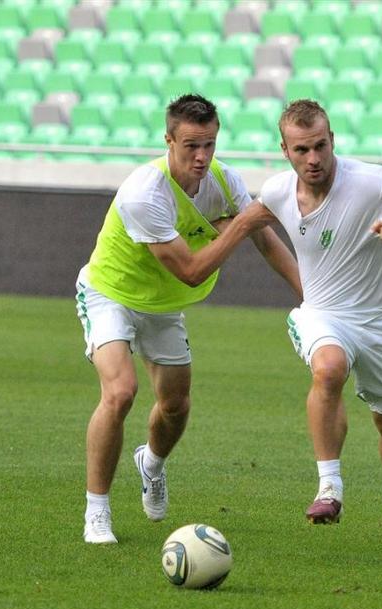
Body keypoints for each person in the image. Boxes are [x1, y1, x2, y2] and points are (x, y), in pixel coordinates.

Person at [76, 94, 301, 544]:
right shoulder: (146, 192)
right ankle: (97, 511)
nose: (202, 157)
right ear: (169, 140)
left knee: (176, 405)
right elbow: (193, 268)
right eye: (191, 146)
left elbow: (265, 239)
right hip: (110, 294)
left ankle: (151, 464)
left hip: (162, 305)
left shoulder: (223, 180)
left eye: (210, 145)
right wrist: (236, 224)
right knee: (121, 393)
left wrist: (309, 294)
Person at [250, 99, 382, 552]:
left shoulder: (370, 182)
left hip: (378, 322)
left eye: (320, 146)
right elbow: (244, 223)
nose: (313, 159)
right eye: (301, 149)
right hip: (321, 313)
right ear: (284, 150)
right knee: (328, 369)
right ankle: (329, 488)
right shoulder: (277, 191)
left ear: (332, 140)